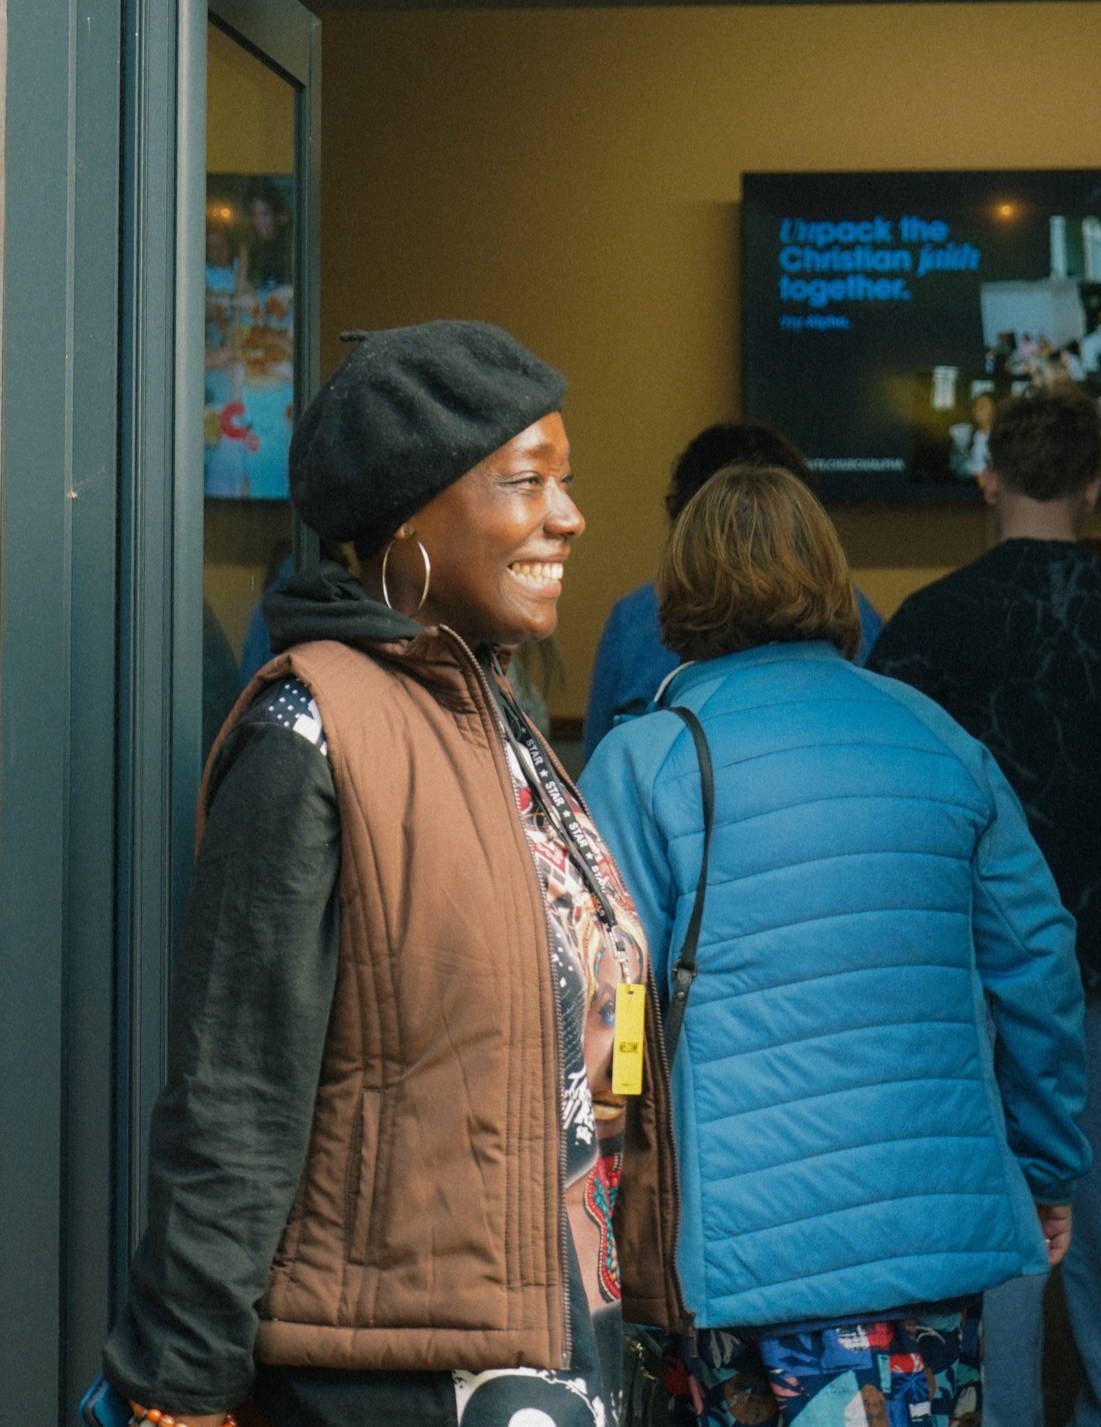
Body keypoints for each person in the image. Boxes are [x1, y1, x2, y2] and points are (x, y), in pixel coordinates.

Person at [100, 321, 685, 1427]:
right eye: (527, 482)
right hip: (398, 1381)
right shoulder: (308, 728)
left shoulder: (497, 722)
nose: (569, 516)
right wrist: (178, 1384)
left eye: (564, 481)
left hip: (563, 1348)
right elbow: (235, 1093)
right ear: (412, 513)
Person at [580, 464, 1090, 1427]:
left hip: (734, 1258)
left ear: (680, 587)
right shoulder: (936, 738)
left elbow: (611, 1004)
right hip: (927, 1250)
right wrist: (1046, 1162)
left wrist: (615, 1174)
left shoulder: (644, 759)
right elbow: (1038, 958)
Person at [868, 387, 1101, 1427]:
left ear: (987, 477)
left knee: (1003, 1246)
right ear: (1095, 484)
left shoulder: (928, 624)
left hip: (967, 989)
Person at [582, 423, 883, 761]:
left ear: (687, 523)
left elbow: (595, 770)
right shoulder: (851, 612)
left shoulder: (638, 619)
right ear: (809, 522)